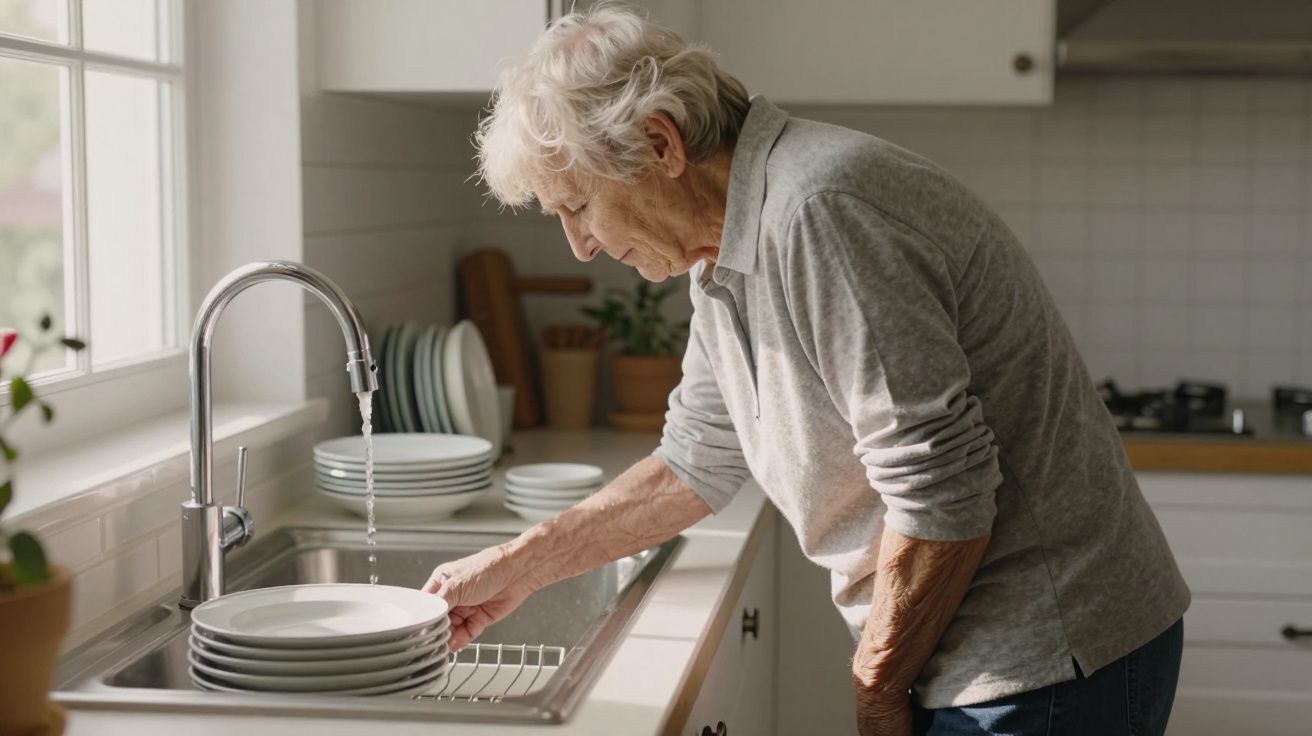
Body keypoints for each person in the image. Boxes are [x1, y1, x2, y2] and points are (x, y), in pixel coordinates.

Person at [421, 5, 1190, 735]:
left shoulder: (819, 208)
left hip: (1047, 657)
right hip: (994, 654)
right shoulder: (726, 247)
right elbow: (694, 464)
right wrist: (515, 568)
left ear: (661, 144)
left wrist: (877, 687)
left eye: (577, 206)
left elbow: (942, 495)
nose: (579, 246)